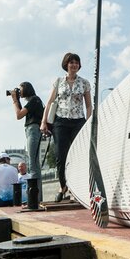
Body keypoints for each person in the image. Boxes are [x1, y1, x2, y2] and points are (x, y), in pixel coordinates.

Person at [40, 52, 92, 202]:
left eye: (76, 62)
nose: (74, 65)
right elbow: (49, 103)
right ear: (66, 65)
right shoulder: (58, 81)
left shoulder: (84, 83)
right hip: (61, 122)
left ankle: (77, 189)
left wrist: (88, 122)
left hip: (78, 121)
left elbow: (88, 105)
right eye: (71, 62)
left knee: (78, 155)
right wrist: (44, 122)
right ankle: (63, 187)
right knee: (60, 156)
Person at [10, 82, 43, 210]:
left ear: (27, 88)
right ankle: (36, 198)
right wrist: (17, 99)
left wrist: (14, 100)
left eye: (20, 89)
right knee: (34, 163)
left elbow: (19, 115)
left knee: (33, 164)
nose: (19, 91)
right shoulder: (34, 101)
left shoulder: (34, 99)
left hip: (33, 130)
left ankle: (34, 200)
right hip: (32, 130)